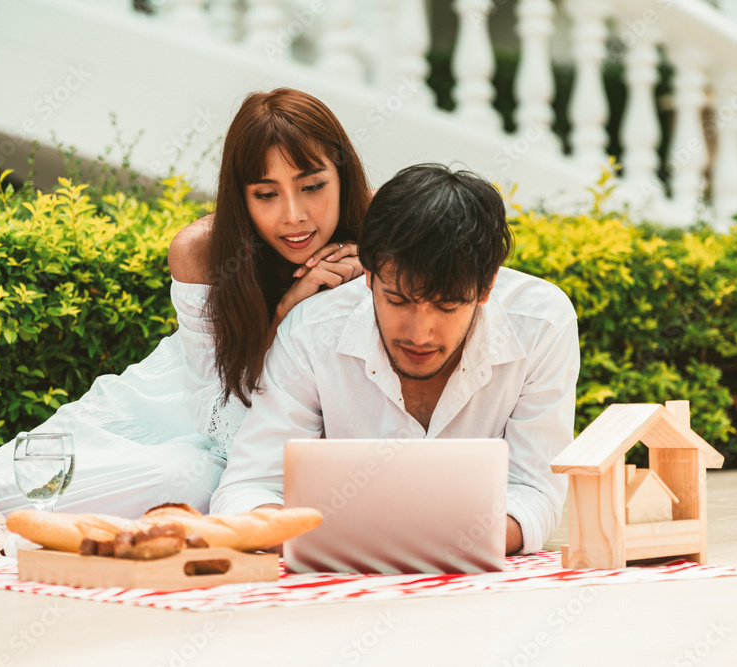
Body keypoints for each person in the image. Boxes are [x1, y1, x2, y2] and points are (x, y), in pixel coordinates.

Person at [0, 88, 372, 518]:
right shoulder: (205, 252)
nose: (294, 215)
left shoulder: (384, 230)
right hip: (169, 412)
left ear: (343, 175)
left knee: (194, 485)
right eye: (267, 194)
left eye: (312, 186)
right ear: (241, 195)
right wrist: (287, 315)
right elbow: (226, 434)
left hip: (225, 462)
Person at [210, 164, 580, 555]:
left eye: (447, 306)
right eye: (397, 300)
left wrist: (437, 541)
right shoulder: (311, 332)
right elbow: (249, 487)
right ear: (368, 275)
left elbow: (534, 490)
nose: (419, 334)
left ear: (486, 287)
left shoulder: (541, 324)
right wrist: (332, 540)